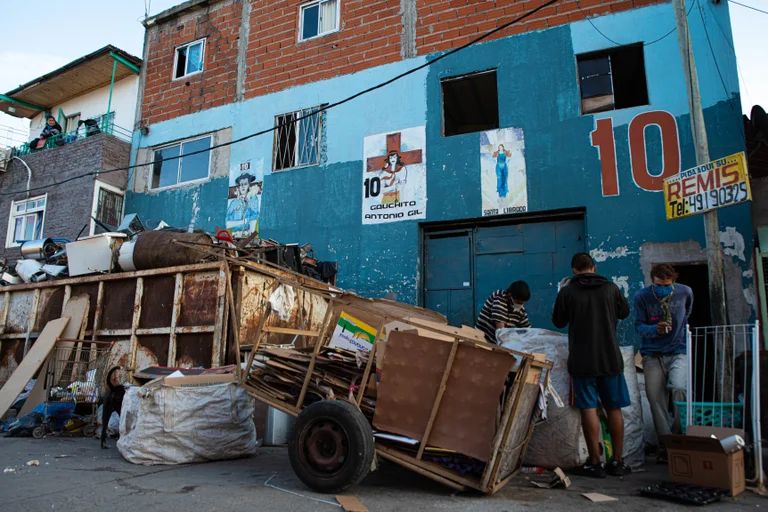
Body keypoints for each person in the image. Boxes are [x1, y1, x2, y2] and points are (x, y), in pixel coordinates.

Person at [552, 253, 631, 477]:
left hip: (581, 360)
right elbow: (624, 313)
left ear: (574, 270)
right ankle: (617, 461)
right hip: (610, 360)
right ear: (594, 268)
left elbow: (558, 321)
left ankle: (595, 463)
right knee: (613, 408)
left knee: (588, 408)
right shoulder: (611, 288)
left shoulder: (568, 291)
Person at [634, 263, 693, 464]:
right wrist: (654, 330)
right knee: (655, 399)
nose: (663, 289)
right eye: (659, 285)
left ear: (673, 281)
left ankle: (678, 437)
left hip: (678, 349)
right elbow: (638, 326)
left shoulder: (685, 292)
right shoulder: (642, 296)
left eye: (667, 285)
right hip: (652, 354)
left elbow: (687, 314)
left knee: (678, 387)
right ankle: (666, 445)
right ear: (653, 281)